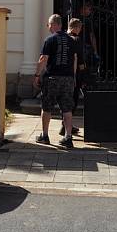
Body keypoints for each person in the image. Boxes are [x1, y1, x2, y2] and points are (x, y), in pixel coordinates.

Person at [33, 14, 78, 148]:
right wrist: (73, 77)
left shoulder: (50, 40)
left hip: (52, 78)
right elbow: (75, 60)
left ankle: (45, 136)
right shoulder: (71, 40)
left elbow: (43, 59)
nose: (48, 27)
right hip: (68, 79)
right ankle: (68, 138)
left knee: (46, 107)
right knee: (67, 108)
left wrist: (36, 75)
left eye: (49, 25)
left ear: (54, 25)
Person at [59, 17, 84, 137]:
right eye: (80, 28)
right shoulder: (76, 39)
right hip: (73, 74)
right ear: (76, 27)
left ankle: (64, 124)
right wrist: (81, 73)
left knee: (63, 99)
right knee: (72, 100)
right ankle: (65, 126)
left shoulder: (62, 37)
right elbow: (79, 58)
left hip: (61, 72)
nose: (80, 30)